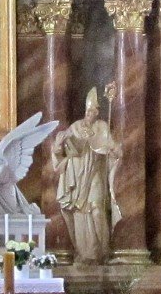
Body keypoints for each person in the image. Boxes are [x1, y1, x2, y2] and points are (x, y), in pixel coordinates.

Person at [52, 88, 121, 263]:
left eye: (94, 111)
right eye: (89, 110)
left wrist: (113, 150)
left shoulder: (102, 127)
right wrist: (61, 145)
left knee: (97, 209)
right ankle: (86, 253)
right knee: (80, 213)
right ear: (85, 110)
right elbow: (60, 151)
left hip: (95, 172)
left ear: (98, 112)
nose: (91, 114)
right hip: (77, 174)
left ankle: (104, 248)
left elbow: (113, 148)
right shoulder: (75, 127)